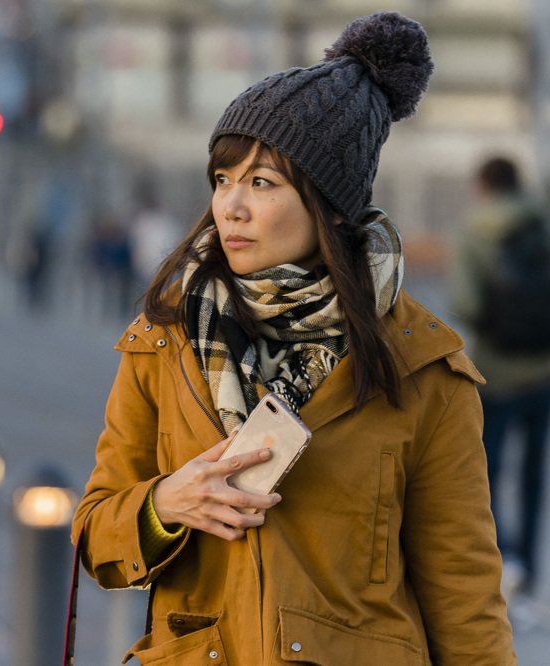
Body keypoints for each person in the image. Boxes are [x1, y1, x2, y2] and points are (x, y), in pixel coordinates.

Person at [71, 12, 517, 665]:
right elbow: (96, 537)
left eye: (262, 182)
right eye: (222, 179)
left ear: (328, 206)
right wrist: (165, 504)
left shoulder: (421, 366)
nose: (231, 206)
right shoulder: (164, 341)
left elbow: (464, 594)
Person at [450, 156, 550, 602]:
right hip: (543, 370)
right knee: (533, 472)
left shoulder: (473, 230)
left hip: (497, 371)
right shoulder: (542, 223)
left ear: (483, 186)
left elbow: (466, 304)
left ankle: (504, 557)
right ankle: (530, 565)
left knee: (487, 469)